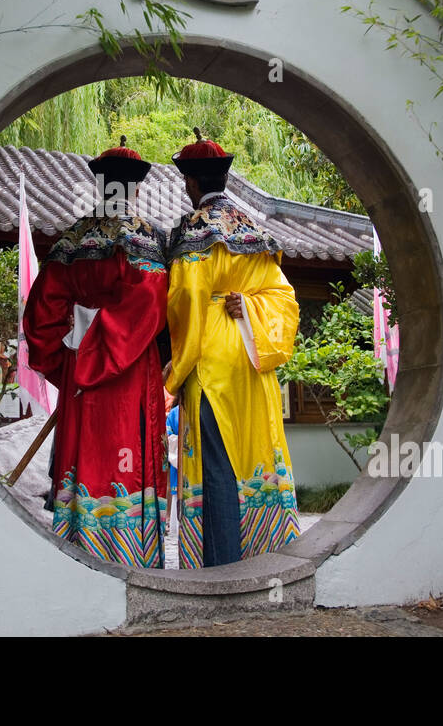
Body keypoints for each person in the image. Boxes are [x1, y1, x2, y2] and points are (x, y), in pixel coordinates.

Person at [22, 139, 171, 568]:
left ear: (99, 184)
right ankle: (131, 558)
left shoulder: (71, 241)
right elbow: (150, 306)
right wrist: (102, 340)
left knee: (82, 455)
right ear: (137, 189)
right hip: (129, 369)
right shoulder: (144, 241)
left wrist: (68, 357)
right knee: (127, 455)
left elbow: (40, 316)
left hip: (77, 374)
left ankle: (79, 553)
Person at [164, 129, 301, 568]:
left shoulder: (193, 232)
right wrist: (252, 307)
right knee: (251, 456)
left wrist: (173, 372)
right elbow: (284, 299)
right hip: (251, 355)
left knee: (216, 463)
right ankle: (264, 554)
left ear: (192, 184)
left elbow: (185, 300)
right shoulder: (254, 231)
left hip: (211, 362)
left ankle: (222, 562)